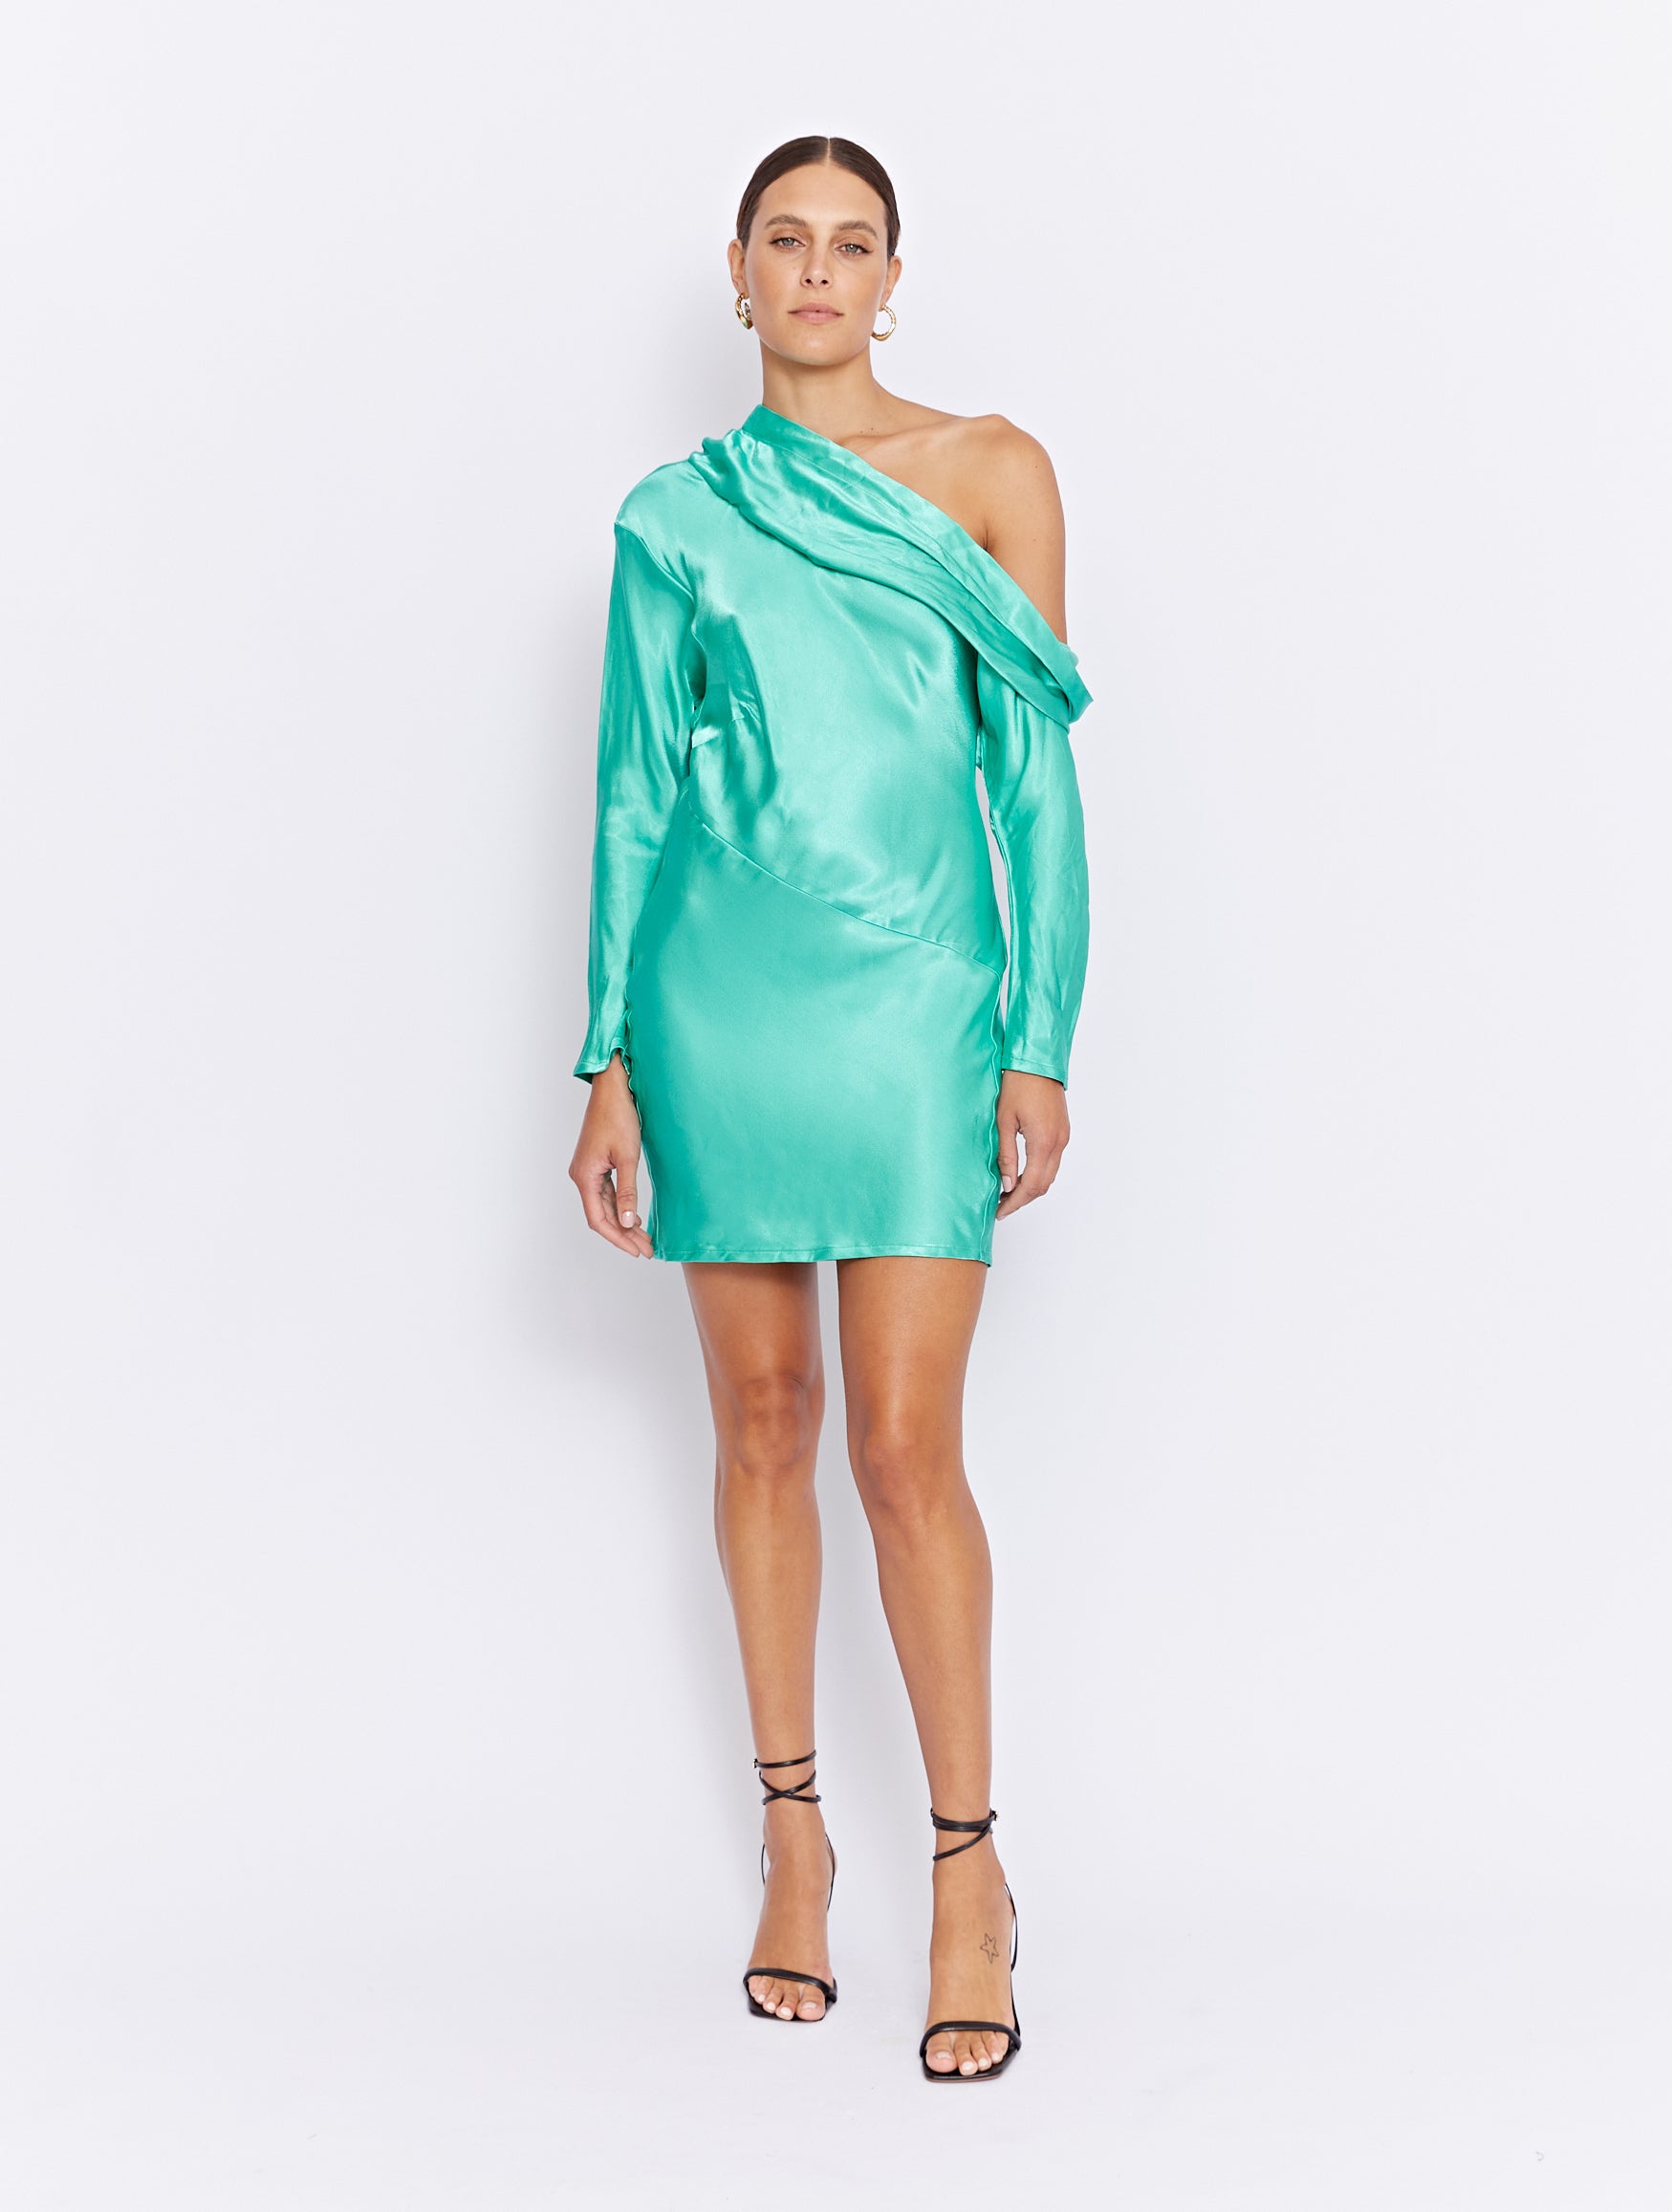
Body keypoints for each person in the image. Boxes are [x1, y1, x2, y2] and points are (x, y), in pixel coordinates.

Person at [567, 135, 1092, 2083]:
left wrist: (1038, 1036)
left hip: (922, 1007)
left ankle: (969, 1870)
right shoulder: (674, 516)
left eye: (850, 243)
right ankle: (795, 1840)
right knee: (766, 1420)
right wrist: (608, 1055)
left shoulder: (990, 472)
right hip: (719, 1005)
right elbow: (633, 790)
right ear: (737, 272)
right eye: (783, 239)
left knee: (901, 1444)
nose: (815, 269)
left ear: (892, 276)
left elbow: (1035, 785)